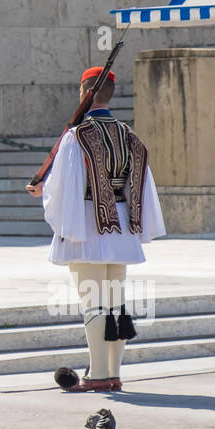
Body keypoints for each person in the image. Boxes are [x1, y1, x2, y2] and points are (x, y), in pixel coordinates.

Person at [26, 66, 166, 392]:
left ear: (83, 94)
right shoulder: (130, 135)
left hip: (88, 224)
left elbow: (65, 185)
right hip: (121, 227)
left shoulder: (78, 136)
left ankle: (98, 375)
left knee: (94, 301)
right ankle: (114, 373)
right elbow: (141, 185)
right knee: (115, 302)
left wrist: (42, 191)